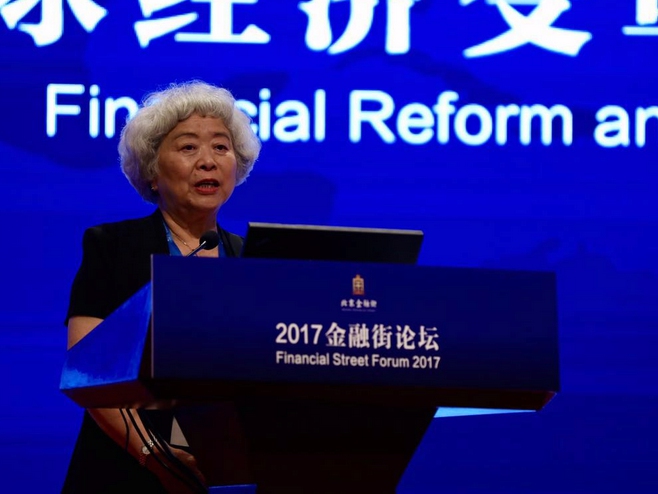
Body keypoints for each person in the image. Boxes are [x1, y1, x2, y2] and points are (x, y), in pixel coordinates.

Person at [61, 80, 261, 493]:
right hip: (124, 471)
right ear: (153, 171)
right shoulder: (112, 247)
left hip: (227, 475)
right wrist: (156, 456)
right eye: (188, 147)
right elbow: (88, 371)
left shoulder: (253, 259)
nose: (208, 161)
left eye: (221, 147)